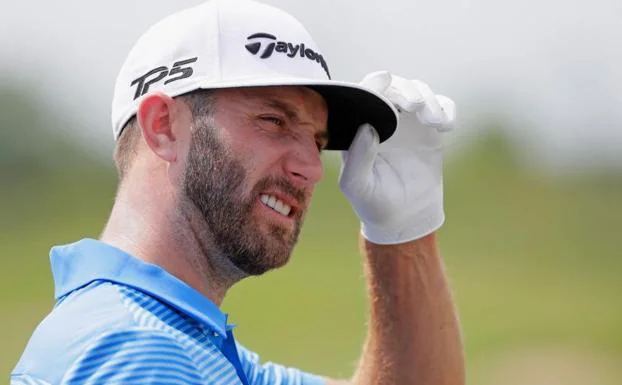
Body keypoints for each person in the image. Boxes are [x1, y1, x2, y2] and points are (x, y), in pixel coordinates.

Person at [11, 0, 464, 384]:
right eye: (274, 121)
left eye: (317, 141)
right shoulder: (136, 354)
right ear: (163, 127)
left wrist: (404, 234)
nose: (311, 168)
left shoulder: (182, 340)